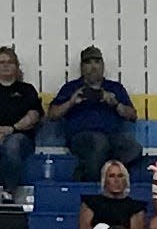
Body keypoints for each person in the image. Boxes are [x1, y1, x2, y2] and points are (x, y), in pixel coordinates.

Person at [47, 45, 141, 182]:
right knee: (98, 143)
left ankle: (89, 172)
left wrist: (115, 103)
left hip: (112, 138)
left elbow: (132, 115)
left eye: (97, 62)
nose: (93, 67)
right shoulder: (71, 87)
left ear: (103, 65)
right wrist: (71, 102)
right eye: (88, 62)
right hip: (81, 137)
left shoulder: (115, 88)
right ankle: (94, 187)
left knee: (133, 147)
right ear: (82, 67)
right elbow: (52, 115)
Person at [0, 46, 43, 202]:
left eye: (10, 62)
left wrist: (11, 129)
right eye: (1, 62)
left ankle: (8, 191)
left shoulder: (26, 90)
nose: (5, 65)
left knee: (12, 144)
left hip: (21, 139)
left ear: (16, 67)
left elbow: (34, 115)